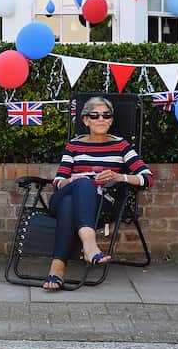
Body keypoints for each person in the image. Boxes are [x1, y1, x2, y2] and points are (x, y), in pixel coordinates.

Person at [42, 96, 153, 292]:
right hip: (62, 196)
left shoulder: (121, 146)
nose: (101, 119)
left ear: (111, 120)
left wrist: (119, 176)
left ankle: (57, 268)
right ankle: (90, 245)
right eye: (95, 115)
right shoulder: (74, 145)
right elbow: (58, 182)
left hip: (101, 203)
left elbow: (147, 178)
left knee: (70, 203)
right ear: (86, 120)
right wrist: (72, 180)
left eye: (106, 115)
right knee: (82, 184)